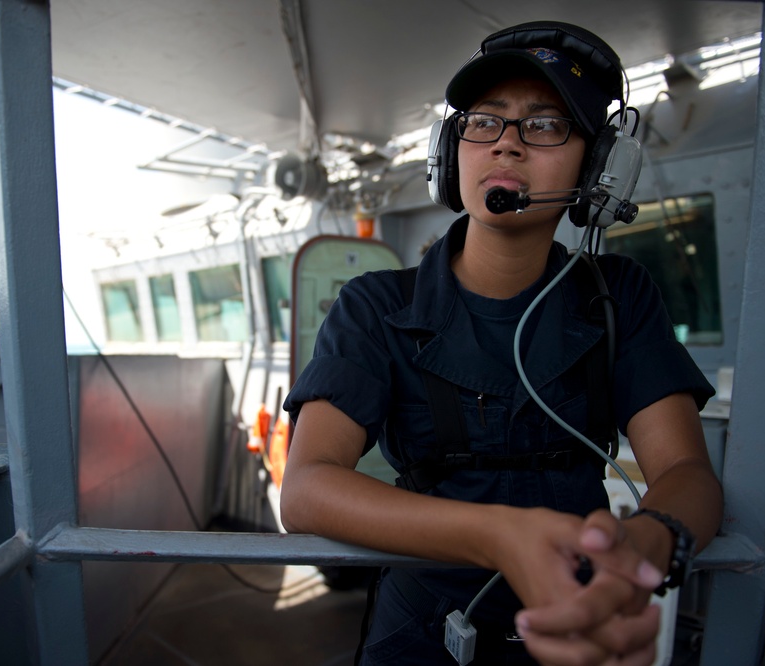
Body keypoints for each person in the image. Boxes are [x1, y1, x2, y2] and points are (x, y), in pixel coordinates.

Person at [280, 20, 723, 666]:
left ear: (596, 169)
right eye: (484, 122)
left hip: (574, 620)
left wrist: (646, 543)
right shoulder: (376, 305)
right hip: (421, 628)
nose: (507, 145)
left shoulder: (618, 295)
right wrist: (496, 536)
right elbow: (307, 488)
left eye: (545, 126)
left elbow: (687, 474)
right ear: (450, 151)